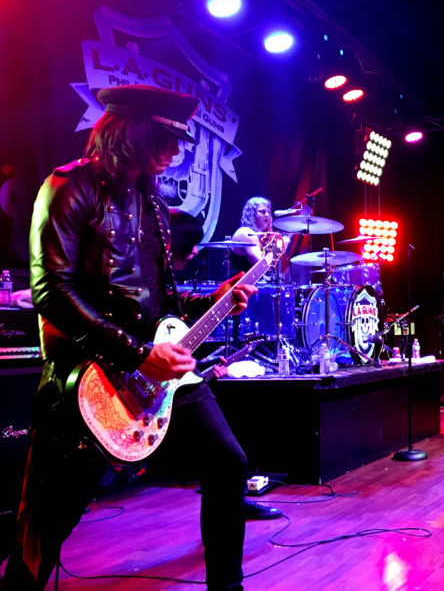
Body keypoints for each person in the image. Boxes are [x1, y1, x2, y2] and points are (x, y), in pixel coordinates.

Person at [2, 85, 257, 590]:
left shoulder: (154, 204)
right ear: (131, 132)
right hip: (91, 376)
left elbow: (163, 306)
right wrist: (138, 354)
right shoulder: (68, 187)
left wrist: (216, 302)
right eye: (166, 138)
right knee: (47, 519)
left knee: (228, 463)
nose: (176, 152)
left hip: (159, 373)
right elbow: (52, 291)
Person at [168, 209, 282, 521]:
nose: (194, 251)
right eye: (190, 243)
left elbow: (175, 306)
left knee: (228, 460)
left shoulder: (161, 273)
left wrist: (217, 299)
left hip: (178, 382)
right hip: (137, 379)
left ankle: (227, 564)